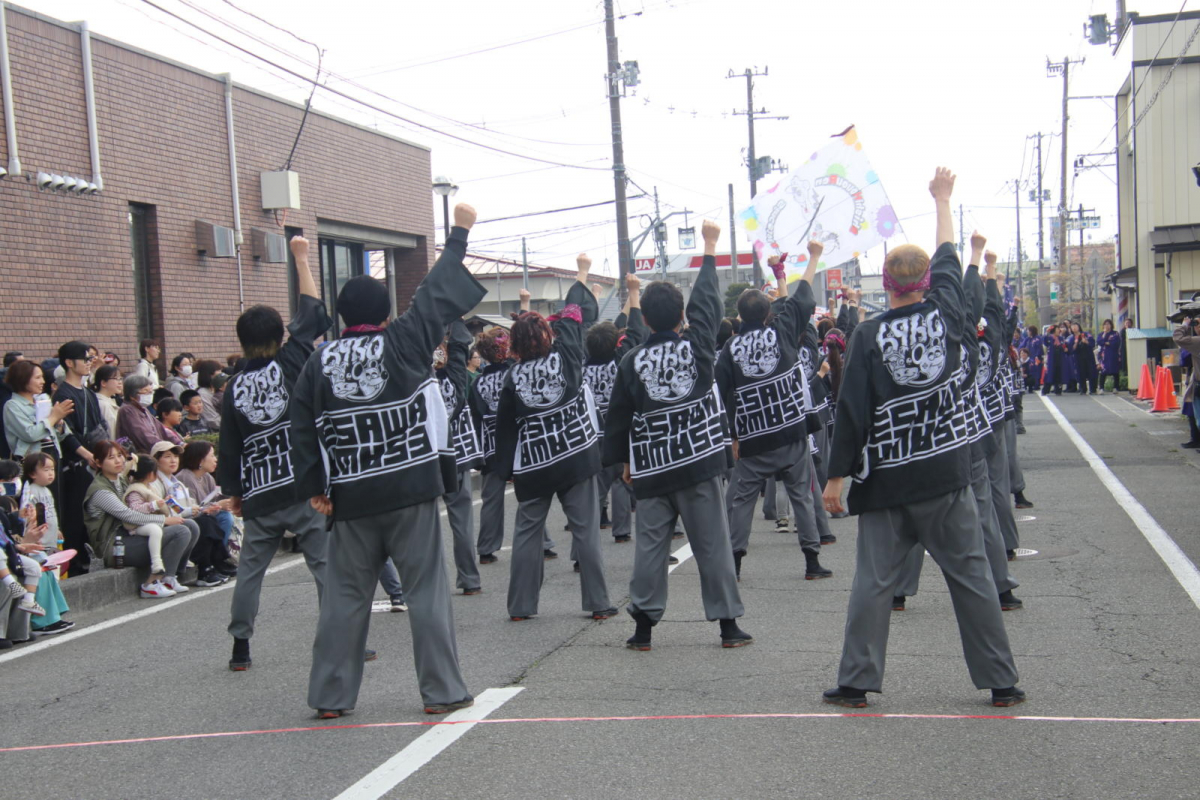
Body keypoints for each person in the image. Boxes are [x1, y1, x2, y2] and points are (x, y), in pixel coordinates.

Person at [821, 168, 1021, 709]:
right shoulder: (950, 311)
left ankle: (857, 682)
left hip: (888, 479)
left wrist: (836, 475)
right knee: (973, 576)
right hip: (945, 473)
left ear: (885, 285)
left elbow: (851, 411)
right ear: (928, 283)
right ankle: (1002, 681)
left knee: (872, 584)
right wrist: (942, 199)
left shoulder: (867, 334)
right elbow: (950, 254)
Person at [293, 202, 483, 718]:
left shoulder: (320, 360)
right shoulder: (404, 339)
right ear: (383, 314)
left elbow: (303, 426)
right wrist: (459, 231)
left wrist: (316, 486)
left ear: (342, 317)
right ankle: (441, 691)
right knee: (426, 593)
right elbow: (438, 290)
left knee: (344, 599)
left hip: (350, 496)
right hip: (410, 486)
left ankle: (331, 697)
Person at [602, 219, 750, 651]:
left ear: (644, 318)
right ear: (682, 316)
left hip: (652, 467)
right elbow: (707, 303)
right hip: (698, 462)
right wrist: (708, 248)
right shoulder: (700, 346)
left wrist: (623, 461)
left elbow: (619, 416)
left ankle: (643, 629)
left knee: (650, 548)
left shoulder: (631, 361)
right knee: (713, 544)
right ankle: (727, 626)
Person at [217, 234, 333, 673]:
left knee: (251, 570)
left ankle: (240, 646)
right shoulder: (291, 362)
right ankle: (341, 638)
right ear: (278, 335)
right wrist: (301, 258)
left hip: (261, 488)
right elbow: (313, 312)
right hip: (302, 484)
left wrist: (235, 491)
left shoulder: (232, 388)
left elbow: (230, 444)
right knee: (325, 565)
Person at [495, 254, 617, 622]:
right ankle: (598, 603)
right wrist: (580, 272)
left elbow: (505, 428)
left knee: (528, 535)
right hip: (575, 457)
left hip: (533, 464)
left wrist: (505, 470)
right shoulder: (566, 358)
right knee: (585, 532)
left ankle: (520, 606)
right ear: (547, 336)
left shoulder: (512, 378)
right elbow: (573, 314)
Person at [718, 244, 831, 582]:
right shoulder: (782, 331)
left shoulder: (729, 349)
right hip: (792, 431)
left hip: (752, 440)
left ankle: (734, 564)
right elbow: (803, 297)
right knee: (802, 495)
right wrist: (811, 258)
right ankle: (812, 561)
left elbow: (723, 396)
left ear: (739, 317)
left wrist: (732, 437)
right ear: (768, 313)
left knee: (741, 502)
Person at [84, 440, 197, 598]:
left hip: (132, 534)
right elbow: (128, 515)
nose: (118, 461)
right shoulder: (100, 491)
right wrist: (163, 521)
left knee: (191, 525)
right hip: (113, 546)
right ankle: (151, 583)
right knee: (180, 531)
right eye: (111, 458)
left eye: (120, 456)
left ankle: (171, 576)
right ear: (98, 462)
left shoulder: (121, 481)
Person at [584, 273, 646, 545]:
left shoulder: (582, 365)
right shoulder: (621, 360)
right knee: (622, 481)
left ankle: (591, 527)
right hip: (619, 430)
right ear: (615, 344)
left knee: (596, 484)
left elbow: (615, 330)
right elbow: (634, 332)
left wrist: (604, 298)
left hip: (592, 433)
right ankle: (622, 530)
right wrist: (634, 293)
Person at [435, 320, 483, 596]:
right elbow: (462, 341)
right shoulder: (457, 376)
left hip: (426, 457)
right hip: (457, 455)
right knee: (461, 520)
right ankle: (469, 579)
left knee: (424, 524)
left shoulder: (417, 380)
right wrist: (452, 316)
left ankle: (430, 581)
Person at [151, 441, 230, 587]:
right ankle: (205, 568)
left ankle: (213, 564)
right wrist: (197, 511)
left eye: (175, 456)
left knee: (209, 519)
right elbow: (166, 508)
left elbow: (187, 505)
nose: (173, 460)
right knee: (203, 523)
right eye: (168, 456)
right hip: (161, 524)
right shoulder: (155, 482)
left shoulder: (174, 481)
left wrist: (201, 509)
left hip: (181, 519)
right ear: (156, 460)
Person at [116, 375, 182, 453]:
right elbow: (142, 435)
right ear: (132, 396)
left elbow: (161, 428)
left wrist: (179, 442)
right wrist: (162, 447)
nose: (150, 394)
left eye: (151, 391)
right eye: (146, 391)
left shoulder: (143, 409)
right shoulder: (127, 410)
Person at [18, 453, 58, 551]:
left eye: (52, 469)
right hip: (40, 541)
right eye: (46, 470)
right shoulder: (31, 491)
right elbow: (28, 516)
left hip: (50, 539)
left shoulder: (47, 490)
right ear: (32, 474)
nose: (51, 473)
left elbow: (52, 513)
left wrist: (57, 529)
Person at [1173, 317, 1200, 448]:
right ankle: (1195, 439)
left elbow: (1178, 338)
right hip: (1195, 380)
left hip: (1197, 383)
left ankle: (1196, 440)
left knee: (1197, 416)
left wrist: (1184, 325)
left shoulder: (1196, 342)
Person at [91, 365, 123, 435]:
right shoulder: (102, 404)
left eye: (120, 378)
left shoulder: (109, 400)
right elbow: (111, 433)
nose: (120, 382)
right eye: (116, 379)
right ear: (103, 383)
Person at [1069, 322, 1097, 395]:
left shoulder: (1086, 334)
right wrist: (1076, 343)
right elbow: (1071, 349)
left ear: (1079, 327)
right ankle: (1083, 388)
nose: (1074, 328)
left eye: (1075, 326)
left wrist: (1086, 341)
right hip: (1078, 357)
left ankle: (1093, 389)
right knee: (1081, 373)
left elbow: (1092, 343)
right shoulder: (1071, 337)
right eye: (1072, 327)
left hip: (1088, 356)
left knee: (1091, 372)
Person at [195, 361, 225, 431]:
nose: (221, 375)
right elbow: (211, 419)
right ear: (209, 375)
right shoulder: (203, 394)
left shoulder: (217, 390)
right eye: (218, 372)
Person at [1097, 319, 1122, 393]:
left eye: (1108, 324)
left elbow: (1115, 343)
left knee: (1115, 371)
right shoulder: (1101, 334)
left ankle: (1116, 387)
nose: (1107, 326)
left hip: (1113, 354)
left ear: (1111, 325)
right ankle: (1101, 388)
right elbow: (1099, 342)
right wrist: (1105, 335)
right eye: (1105, 324)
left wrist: (1107, 343)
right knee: (1103, 371)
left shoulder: (1115, 333)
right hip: (1104, 355)